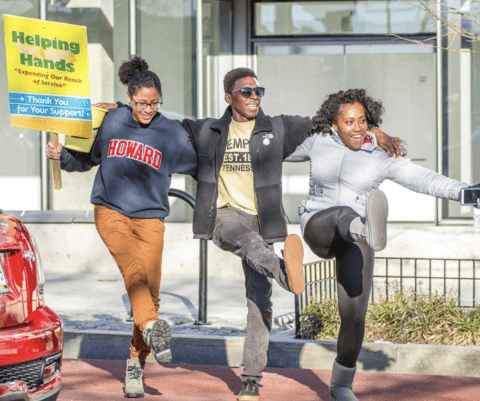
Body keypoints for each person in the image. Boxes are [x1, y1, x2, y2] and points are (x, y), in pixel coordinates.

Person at [97, 68, 402, 401]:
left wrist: (372, 128)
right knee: (248, 242)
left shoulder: (278, 128)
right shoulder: (207, 130)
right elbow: (156, 117)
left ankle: (251, 379)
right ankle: (286, 273)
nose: (254, 97)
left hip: (262, 220)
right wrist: (115, 109)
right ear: (229, 97)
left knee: (260, 301)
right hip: (225, 217)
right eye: (246, 92)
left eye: (259, 91)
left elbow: (327, 120)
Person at [286, 88, 477, 401]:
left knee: (354, 315)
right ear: (334, 125)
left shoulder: (380, 154)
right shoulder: (317, 141)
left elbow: (421, 178)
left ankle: (341, 385)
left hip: (359, 239)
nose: (358, 127)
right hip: (320, 226)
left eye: (363, 121)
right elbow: (275, 147)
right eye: (349, 122)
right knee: (344, 214)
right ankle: (361, 224)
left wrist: (465, 192)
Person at [45, 56, 197, 398]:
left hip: (151, 218)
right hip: (110, 210)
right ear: (129, 98)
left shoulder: (171, 133)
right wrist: (62, 157)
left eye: (155, 103)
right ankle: (152, 326)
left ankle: (135, 364)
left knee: (151, 292)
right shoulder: (112, 121)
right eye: (142, 102)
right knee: (133, 273)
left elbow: (200, 164)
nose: (148, 109)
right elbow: (87, 158)